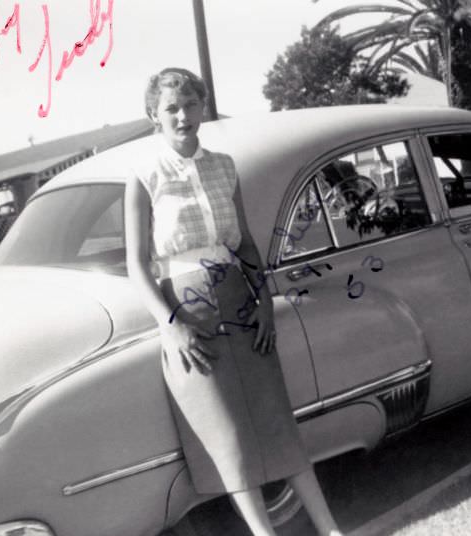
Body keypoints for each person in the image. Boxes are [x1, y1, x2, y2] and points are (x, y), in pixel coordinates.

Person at [124, 67, 342, 536]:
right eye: (171, 108)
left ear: (202, 107)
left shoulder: (224, 165)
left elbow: (243, 244)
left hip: (239, 299)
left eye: (190, 105)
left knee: (276, 420)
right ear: (153, 117)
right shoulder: (143, 175)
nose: (183, 116)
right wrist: (171, 325)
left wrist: (263, 301)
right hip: (187, 311)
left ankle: (329, 529)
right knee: (229, 437)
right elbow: (137, 265)